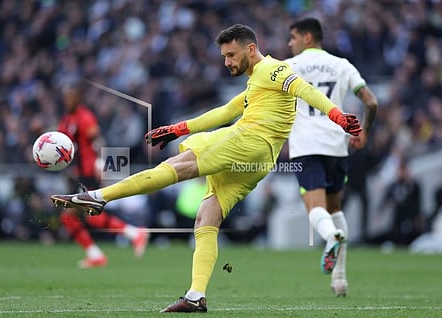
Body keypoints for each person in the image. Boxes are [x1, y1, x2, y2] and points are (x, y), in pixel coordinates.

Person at [51, 24, 361, 312]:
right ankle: (196, 295)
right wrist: (178, 128)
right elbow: (226, 110)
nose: (226, 62)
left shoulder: (273, 68)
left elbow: (305, 89)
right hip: (258, 160)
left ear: (251, 49)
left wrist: (337, 116)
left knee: (178, 165)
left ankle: (100, 195)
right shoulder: (258, 82)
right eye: (224, 56)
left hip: (248, 140)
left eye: (231, 54)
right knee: (206, 217)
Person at [284, 17, 378, 297]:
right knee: (335, 209)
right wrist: (363, 131)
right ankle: (340, 280)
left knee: (315, 207)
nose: (289, 43)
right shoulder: (342, 65)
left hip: (306, 146)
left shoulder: (289, 67)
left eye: (293, 38)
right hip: (337, 145)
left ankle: (330, 238)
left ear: (307, 38)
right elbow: (371, 101)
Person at [56, 80, 148, 269]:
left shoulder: (85, 118)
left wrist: (100, 162)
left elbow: (98, 140)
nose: (68, 100)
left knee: (84, 215)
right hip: (79, 174)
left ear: (78, 98)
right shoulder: (67, 119)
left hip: (90, 172)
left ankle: (131, 235)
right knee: (73, 216)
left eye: (71, 96)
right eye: (65, 96)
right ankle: (106, 248)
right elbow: (58, 144)